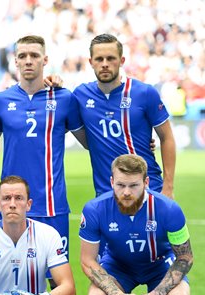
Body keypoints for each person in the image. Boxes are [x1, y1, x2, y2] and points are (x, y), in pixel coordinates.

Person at [0, 35, 85, 295]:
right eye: (21, 55)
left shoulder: (64, 99)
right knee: (4, 275)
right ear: (14, 60)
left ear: (45, 60)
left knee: (57, 280)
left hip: (52, 204)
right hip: (12, 205)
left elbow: (89, 139)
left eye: (34, 55)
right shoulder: (0, 101)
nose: (27, 60)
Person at [79, 154, 192, 295]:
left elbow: (185, 257)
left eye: (134, 185)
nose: (127, 192)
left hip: (159, 264)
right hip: (118, 265)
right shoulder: (95, 209)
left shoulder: (169, 209)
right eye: (120, 185)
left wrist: (158, 294)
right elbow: (88, 261)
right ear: (111, 182)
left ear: (146, 183)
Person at [73, 33, 177, 199]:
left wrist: (168, 187)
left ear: (122, 61)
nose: (105, 64)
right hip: (106, 194)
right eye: (99, 59)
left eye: (111, 58)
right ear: (90, 62)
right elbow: (86, 141)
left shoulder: (144, 93)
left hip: (147, 189)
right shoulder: (80, 95)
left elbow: (167, 138)